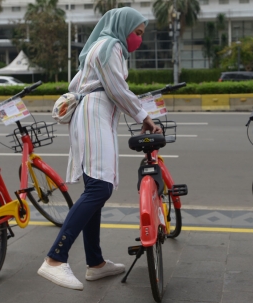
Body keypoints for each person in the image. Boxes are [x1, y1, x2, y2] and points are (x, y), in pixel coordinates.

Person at [37, 7, 162, 291]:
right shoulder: (111, 45)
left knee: (96, 187)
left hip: (94, 113)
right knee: (99, 188)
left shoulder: (100, 46)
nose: (138, 40)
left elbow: (91, 85)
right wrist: (144, 116)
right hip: (95, 113)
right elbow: (117, 88)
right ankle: (56, 258)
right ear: (123, 27)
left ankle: (95, 263)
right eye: (137, 33)